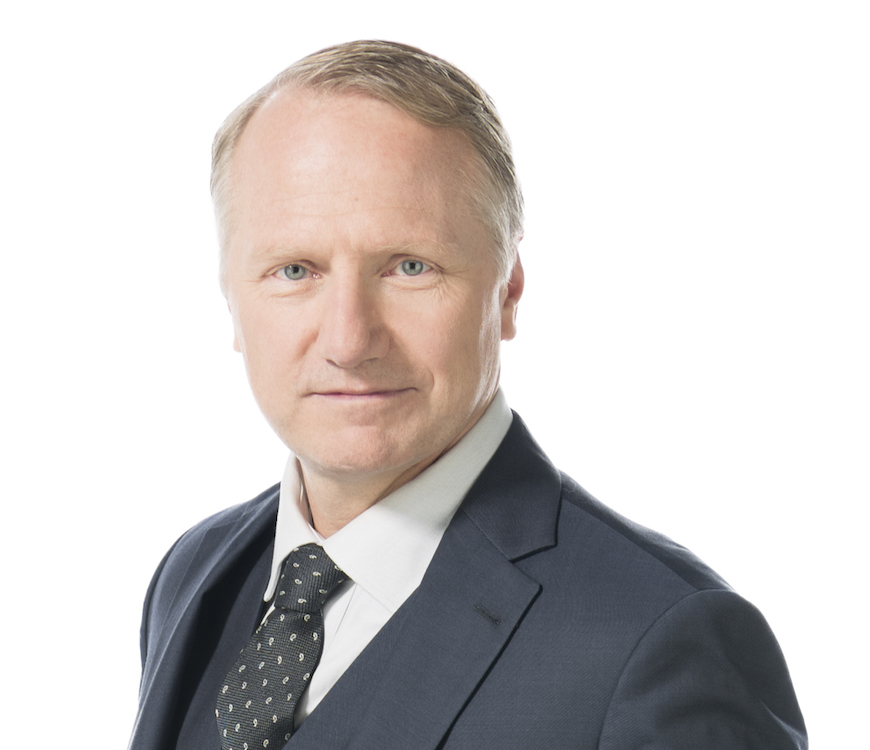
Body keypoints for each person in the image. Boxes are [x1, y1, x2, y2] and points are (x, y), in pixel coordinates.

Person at [128, 40, 807, 750]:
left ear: (508, 291)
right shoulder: (195, 573)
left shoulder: (661, 645)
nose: (349, 340)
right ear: (231, 299)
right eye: (295, 270)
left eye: (409, 267)